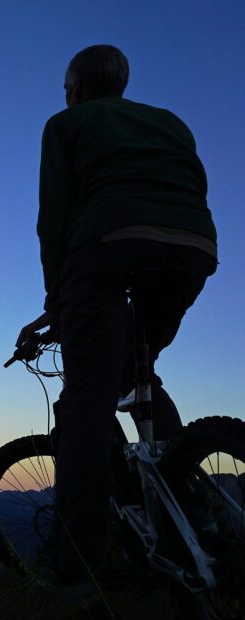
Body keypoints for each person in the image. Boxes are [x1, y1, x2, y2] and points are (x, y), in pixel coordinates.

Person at [14, 44, 219, 586]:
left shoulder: (66, 124)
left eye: (65, 88)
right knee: (136, 367)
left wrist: (56, 303)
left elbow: (53, 220)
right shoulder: (170, 123)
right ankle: (186, 494)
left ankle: (73, 567)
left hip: (104, 246)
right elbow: (192, 186)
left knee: (87, 398)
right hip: (191, 248)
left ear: (75, 88)